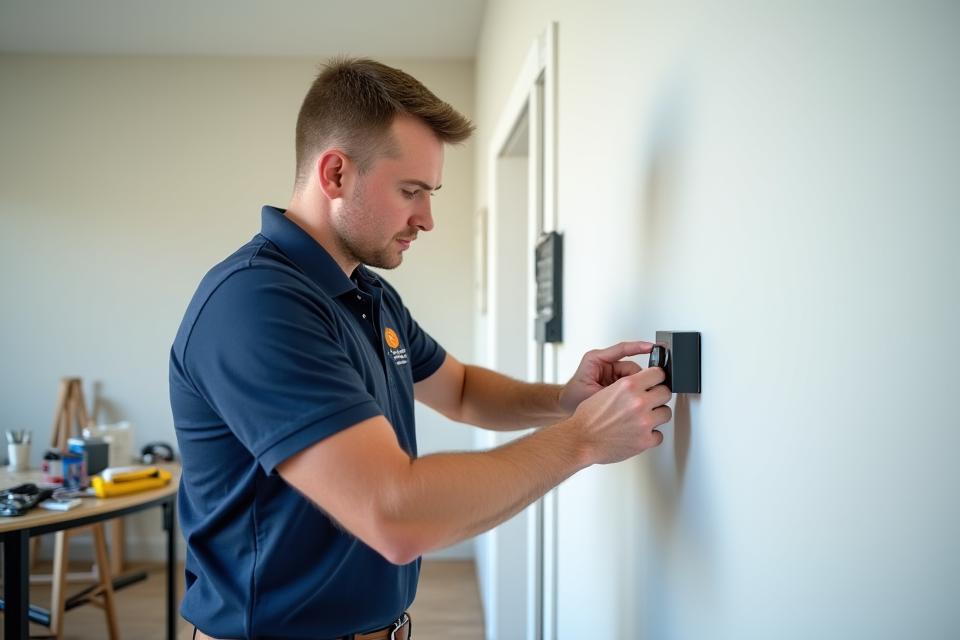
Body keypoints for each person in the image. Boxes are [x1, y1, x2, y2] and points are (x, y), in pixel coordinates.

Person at [169, 57, 672, 640]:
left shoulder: (367, 292)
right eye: (411, 191)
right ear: (335, 174)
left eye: (429, 193)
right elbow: (394, 514)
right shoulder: (256, 303)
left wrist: (563, 400)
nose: (427, 220)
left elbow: (461, 390)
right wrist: (583, 439)